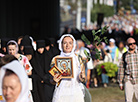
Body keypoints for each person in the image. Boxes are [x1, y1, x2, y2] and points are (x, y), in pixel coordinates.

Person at [51, 34, 86, 102]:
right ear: (61, 45)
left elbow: (83, 79)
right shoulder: (55, 59)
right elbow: (51, 80)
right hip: (61, 93)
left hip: (76, 92)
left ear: (73, 44)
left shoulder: (78, 58)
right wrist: (54, 80)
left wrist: (82, 77)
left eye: (70, 43)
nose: (67, 45)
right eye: (65, 43)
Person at [118, 37, 138, 102]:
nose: (133, 45)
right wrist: (120, 82)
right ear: (127, 45)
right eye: (130, 44)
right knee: (128, 100)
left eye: (134, 43)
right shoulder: (124, 55)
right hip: (128, 79)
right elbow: (121, 69)